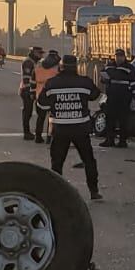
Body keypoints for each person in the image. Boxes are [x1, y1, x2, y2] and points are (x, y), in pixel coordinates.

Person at [36, 54, 102, 199]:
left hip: (60, 129)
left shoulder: (51, 83)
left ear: (61, 66)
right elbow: (95, 95)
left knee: (57, 163)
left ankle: (55, 193)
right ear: (76, 66)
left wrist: (56, 106)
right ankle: (94, 191)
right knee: (89, 161)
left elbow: (41, 103)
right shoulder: (84, 82)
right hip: (80, 129)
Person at [101, 48, 135, 147]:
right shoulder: (109, 66)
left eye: (120, 56)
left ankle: (122, 141)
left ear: (124, 57)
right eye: (117, 56)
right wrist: (104, 79)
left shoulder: (130, 68)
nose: (118, 58)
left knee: (123, 121)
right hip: (111, 98)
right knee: (110, 120)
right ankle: (109, 140)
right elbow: (103, 78)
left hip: (124, 99)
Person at [32, 49, 61, 144]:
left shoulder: (39, 66)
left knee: (40, 117)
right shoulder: (57, 68)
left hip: (39, 95)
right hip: (53, 96)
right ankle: (49, 137)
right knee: (52, 118)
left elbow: (33, 82)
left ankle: (38, 136)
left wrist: (32, 94)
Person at [19, 45, 43, 140]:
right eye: (39, 53)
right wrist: (31, 91)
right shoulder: (28, 62)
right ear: (34, 53)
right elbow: (26, 79)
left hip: (32, 90)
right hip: (27, 90)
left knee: (29, 112)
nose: (40, 55)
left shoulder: (34, 62)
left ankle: (29, 132)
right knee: (27, 112)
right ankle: (26, 133)